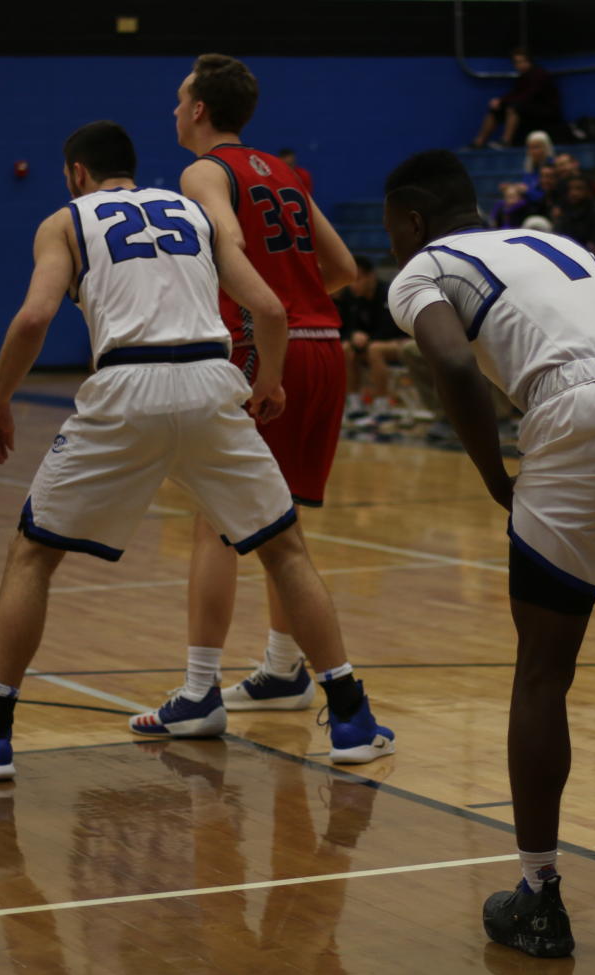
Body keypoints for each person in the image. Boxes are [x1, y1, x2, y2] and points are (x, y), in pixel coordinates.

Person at [0, 121, 393, 781]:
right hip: (212, 383)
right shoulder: (196, 214)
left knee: (33, 555)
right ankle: (350, 718)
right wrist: (265, 383)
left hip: (126, 385)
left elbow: (34, 318)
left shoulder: (64, 221)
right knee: (284, 550)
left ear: (74, 173)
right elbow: (267, 306)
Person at [382, 149, 595, 957]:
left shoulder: (421, 269)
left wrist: (493, 471)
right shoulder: (559, 243)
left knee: (542, 670)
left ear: (413, 222)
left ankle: (537, 894)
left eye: (395, 231)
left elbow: (455, 362)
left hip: (577, 412)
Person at [138, 54, 383, 738]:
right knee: (282, 523)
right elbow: (339, 268)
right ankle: (281, 670)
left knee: (215, 522)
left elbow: (230, 239)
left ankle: (197, 690)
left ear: (198, 110)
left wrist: (258, 313)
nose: (173, 109)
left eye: (178, 98)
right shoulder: (285, 171)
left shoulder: (202, 171)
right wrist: (295, 303)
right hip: (323, 349)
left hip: (261, 347)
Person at [337, 255, 406, 423]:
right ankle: (354, 404)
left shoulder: (388, 293)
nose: (353, 285)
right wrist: (354, 336)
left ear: (371, 276)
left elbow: (391, 329)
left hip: (402, 342)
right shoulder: (352, 298)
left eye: (358, 279)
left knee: (375, 350)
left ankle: (383, 406)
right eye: (351, 280)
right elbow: (345, 328)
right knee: (346, 347)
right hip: (372, 345)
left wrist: (366, 339)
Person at [473, 48, 564, 148]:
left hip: (546, 110)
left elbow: (528, 95)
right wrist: (500, 101)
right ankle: (479, 142)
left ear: (529, 61)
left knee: (513, 108)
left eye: (522, 61)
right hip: (528, 109)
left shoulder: (540, 74)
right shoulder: (522, 77)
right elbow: (515, 94)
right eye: (516, 62)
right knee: (495, 110)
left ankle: (505, 141)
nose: (520, 65)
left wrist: (504, 101)